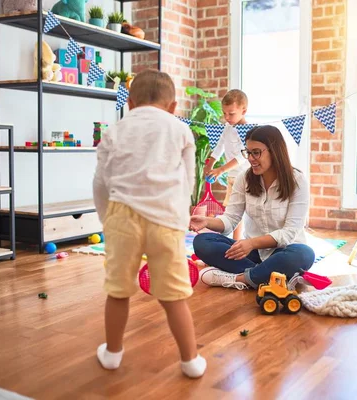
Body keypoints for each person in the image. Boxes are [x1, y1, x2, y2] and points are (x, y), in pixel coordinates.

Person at [93, 69, 206, 378]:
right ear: (172, 106)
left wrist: (108, 218)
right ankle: (190, 360)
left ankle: (113, 354)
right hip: (167, 219)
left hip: (122, 215)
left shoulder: (115, 129)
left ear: (130, 103)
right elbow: (188, 181)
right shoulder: (180, 129)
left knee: (118, 291)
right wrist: (180, 222)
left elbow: (101, 182)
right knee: (174, 295)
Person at [191, 125, 315, 290]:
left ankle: (239, 278)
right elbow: (231, 219)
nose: (250, 158)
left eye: (256, 152)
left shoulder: (297, 181)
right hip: (253, 254)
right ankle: (264, 276)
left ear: (274, 151)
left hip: (285, 250)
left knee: (304, 255)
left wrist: (251, 243)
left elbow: (289, 233)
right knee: (202, 242)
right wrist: (206, 222)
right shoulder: (245, 179)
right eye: (248, 152)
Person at [205, 89, 250, 240]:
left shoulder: (246, 130)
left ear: (243, 111)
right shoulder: (228, 127)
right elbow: (220, 146)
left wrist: (221, 169)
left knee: (237, 209)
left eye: (231, 114)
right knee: (232, 207)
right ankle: (235, 240)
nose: (226, 117)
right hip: (232, 175)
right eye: (224, 113)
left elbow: (243, 155)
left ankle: (236, 241)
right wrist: (211, 162)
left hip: (245, 175)